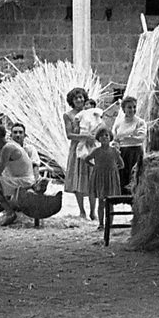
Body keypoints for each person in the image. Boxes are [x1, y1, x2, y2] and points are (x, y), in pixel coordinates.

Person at [63, 87, 96, 220]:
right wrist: (84, 137)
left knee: (92, 179)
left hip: (91, 147)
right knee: (78, 179)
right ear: (72, 100)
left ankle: (93, 212)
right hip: (77, 148)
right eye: (76, 98)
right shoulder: (68, 115)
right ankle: (82, 211)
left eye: (81, 97)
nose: (79, 100)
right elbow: (69, 135)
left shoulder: (91, 112)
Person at [86, 126, 124, 233]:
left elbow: (121, 164)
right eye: (101, 136)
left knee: (110, 203)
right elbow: (87, 159)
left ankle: (110, 224)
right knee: (101, 202)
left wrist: (114, 171)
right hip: (100, 179)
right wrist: (95, 167)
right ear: (98, 138)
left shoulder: (114, 151)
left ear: (110, 137)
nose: (104, 137)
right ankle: (101, 224)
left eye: (106, 135)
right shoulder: (96, 151)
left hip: (110, 179)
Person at [112, 94, 147, 192]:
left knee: (135, 175)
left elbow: (140, 138)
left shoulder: (140, 122)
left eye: (134, 107)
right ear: (124, 109)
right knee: (123, 175)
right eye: (129, 107)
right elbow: (115, 139)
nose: (132, 109)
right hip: (122, 153)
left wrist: (126, 138)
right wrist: (116, 147)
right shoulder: (119, 124)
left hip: (135, 152)